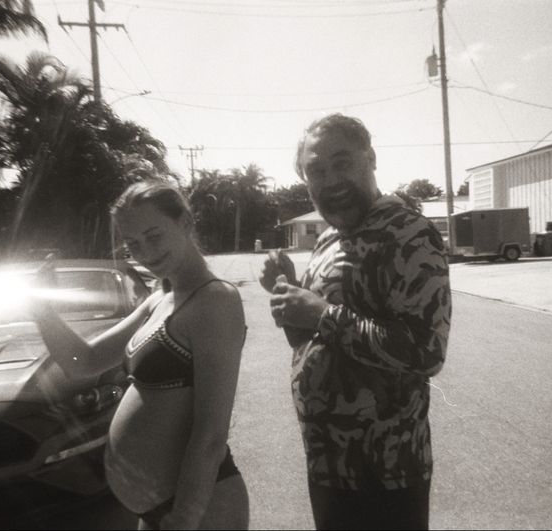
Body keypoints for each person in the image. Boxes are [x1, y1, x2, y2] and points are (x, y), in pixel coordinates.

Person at [259, 114, 451, 530]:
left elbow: (425, 351)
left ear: (371, 159)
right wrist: (289, 293)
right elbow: (305, 339)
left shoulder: (408, 232)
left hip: (386, 474)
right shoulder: (329, 239)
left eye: (341, 163)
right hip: (329, 463)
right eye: (317, 170)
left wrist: (321, 313)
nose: (330, 180)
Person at [31, 179, 249, 530]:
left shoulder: (214, 301)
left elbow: (211, 432)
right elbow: (82, 362)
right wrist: (40, 309)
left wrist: (185, 517)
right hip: (159, 508)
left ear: (186, 224)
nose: (145, 252)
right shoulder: (158, 300)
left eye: (154, 236)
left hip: (200, 508)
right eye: (133, 244)